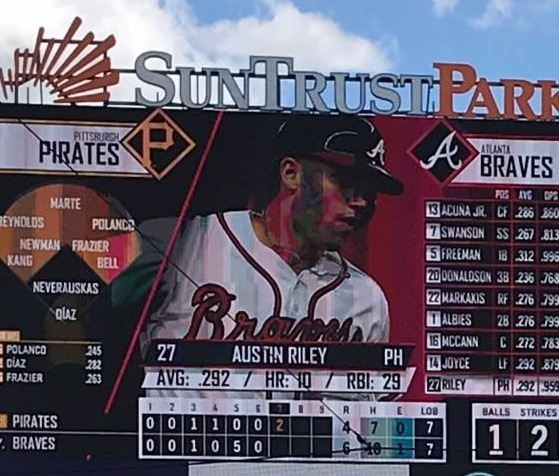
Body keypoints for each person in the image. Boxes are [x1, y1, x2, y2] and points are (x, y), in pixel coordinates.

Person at [128, 114, 403, 352]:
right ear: (291, 173)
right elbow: (91, 324)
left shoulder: (366, 298)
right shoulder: (186, 240)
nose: (362, 202)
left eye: (369, 191)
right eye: (348, 182)